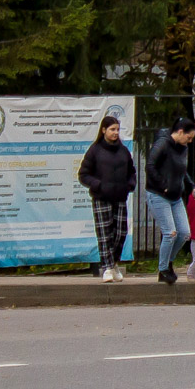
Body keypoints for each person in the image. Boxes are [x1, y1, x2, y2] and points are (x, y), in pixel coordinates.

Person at [77, 115, 136, 283]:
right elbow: (83, 174)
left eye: (117, 129)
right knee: (105, 234)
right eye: (112, 129)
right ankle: (107, 268)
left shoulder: (123, 151)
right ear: (103, 130)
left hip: (120, 197)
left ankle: (114, 262)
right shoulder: (95, 150)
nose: (115, 133)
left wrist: (130, 184)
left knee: (120, 233)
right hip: (101, 198)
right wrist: (98, 185)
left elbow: (132, 172)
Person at [145, 117, 195, 284]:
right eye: (188, 138)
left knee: (184, 234)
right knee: (170, 233)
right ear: (180, 132)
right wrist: (162, 184)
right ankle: (163, 270)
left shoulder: (183, 148)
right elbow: (150, 165)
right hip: (159, 195)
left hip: (176, 197)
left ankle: (168, 261)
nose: (189, 142)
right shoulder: (162, 144)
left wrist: (191, 185)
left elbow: (182, 170)